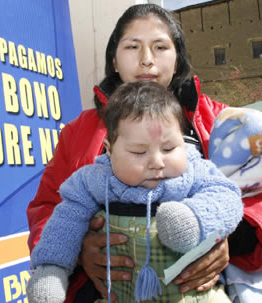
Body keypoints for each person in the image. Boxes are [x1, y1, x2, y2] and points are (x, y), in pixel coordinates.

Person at [26, 3, 262, 303]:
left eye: (160, 47)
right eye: (132, 46)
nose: (146, 60)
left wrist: (229, 238)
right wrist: (76, 253)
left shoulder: (221, 121)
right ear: (114, 59)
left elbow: (260, 193)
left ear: (178, 59)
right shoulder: (79, 131)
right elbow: (48, 206)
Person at [27, 81, 243, 303]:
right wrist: (52, 268)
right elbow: (66, 219)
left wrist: (196, 220)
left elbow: (226, 195)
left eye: (169, 149)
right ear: (110, 151)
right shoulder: (95, 181)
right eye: (139, 152)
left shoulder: (195, 171)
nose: (157, 162)